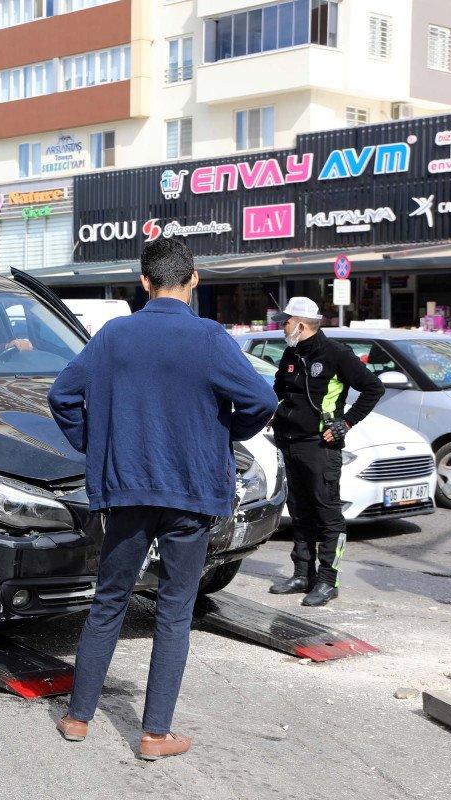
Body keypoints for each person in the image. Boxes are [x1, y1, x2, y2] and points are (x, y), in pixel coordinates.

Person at [47, 238, 276, 761]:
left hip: (127, 489)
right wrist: (228, 432)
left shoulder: (114, 335)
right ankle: (154, 734)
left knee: (109, 600)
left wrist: (94, 443)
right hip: (191, 493)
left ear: (144, 282)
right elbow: (262, 400)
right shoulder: (209, 337)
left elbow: (62, 395)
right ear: (194, 280)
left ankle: (78, 718)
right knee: (174, 611)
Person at [268, 297, 384, 606]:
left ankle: (328, 581)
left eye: (286, 323)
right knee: (299, 511)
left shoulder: (336, 354)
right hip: (288, 442)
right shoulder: (291, 352)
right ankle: (302, 574)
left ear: (301, 325)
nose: (282, 328)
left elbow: (374, 388)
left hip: (320, 446)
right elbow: (279, 390)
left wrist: (347, 422)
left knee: (327, 513)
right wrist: (271, 411)